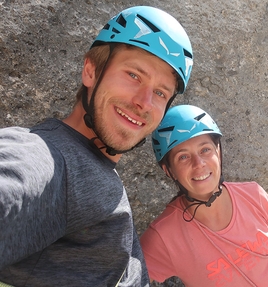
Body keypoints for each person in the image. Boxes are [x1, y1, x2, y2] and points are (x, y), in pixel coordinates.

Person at [0, 6, 193, 287]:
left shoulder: (95, 169)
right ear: (90, 70)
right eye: (134, 75)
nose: (144, 102)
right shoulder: (50, 159)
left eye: (161, 93)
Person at [140, 105, 268, 287]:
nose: (199, 164)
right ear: (169, 171)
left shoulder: (252, 195)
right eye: (183, 157)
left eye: (205, 149)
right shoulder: (164, 236)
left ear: (218, 152)